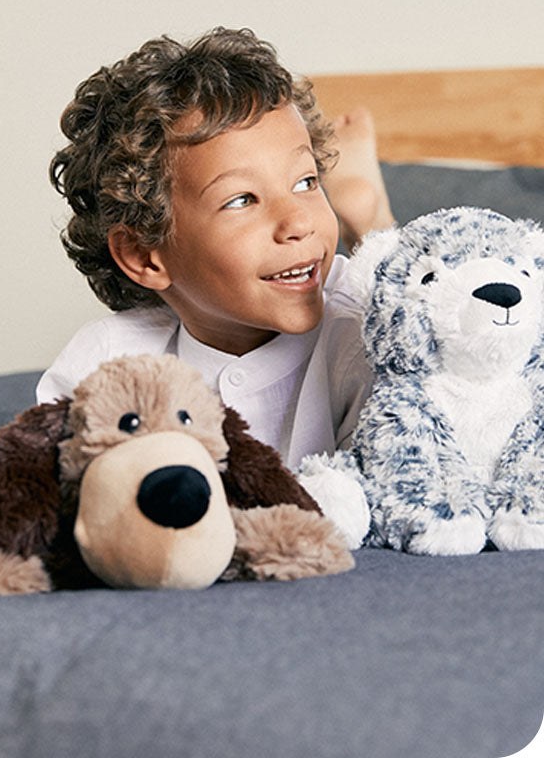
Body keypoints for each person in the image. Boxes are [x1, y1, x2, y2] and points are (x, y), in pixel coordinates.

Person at [36, 27, 394, 468]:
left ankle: (374, 225)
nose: (298, 222)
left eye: (306, 181)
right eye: (242, 200)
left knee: (403, 284)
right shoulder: (110, 362)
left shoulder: (364, 332)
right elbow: (24, 478)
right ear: (144, 256)